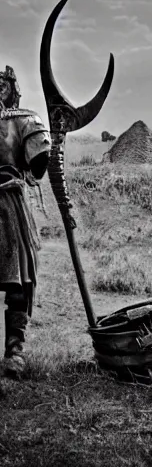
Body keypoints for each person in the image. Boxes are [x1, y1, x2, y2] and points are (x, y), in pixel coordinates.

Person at [0, 65, 51, 378]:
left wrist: (50, 140)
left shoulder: (22, 120)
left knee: (18, 284)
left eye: (2, 86)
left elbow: (39, 164)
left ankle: (14, 351)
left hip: (9, 206)